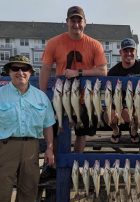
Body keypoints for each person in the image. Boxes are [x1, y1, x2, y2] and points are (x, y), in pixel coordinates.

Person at [0, 55, 55, 202]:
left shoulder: (40, 97)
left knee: (29, 187)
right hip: (5, 147)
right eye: (15, 68)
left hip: (32, 146)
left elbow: (48, 124)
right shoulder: (0, 94)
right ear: (9, 72)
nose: (20, 72)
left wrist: (49, 148)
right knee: (2, 190)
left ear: (31, 73)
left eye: (24, 69)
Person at [39, 5, 107, 153]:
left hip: (85, 96)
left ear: (85, 22)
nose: (76, 24)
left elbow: (103, 71)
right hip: (60, 95)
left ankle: (76, 162)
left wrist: (79, 73)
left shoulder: (95, 44)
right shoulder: (53, 42)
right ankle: (54, 166)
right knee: (56, 130)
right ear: (67, 22)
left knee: (81, 133)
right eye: (72, 20)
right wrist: (42, 96)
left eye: (79, 20)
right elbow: (45, 69)